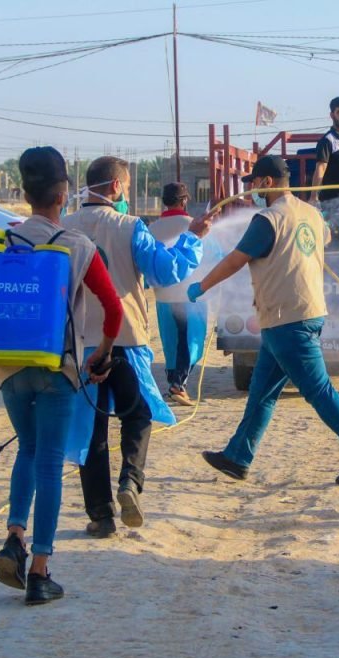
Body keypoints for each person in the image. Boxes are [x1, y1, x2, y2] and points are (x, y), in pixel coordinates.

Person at [189, 155, 339, 485]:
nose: (251, 188)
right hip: (300, 313)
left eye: (254, 182)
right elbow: (322, 239)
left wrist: (202, 285)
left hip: (286, 318)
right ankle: (237, 457)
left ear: (267, 182)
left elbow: (236, 260)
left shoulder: (268, 219)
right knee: (262, 392)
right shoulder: (311, 214)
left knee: (318, 390)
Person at [0, 146, 123, 605]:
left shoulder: (1, 240)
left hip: (8, 367)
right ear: (63, 194)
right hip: (57, 367)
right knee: (49, 461)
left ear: (24, 191)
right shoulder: (78, 246)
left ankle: (14, 537)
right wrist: (102, 355)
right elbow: (113, 310)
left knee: (26, 449)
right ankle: (40, 570)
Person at [63, 156, 211, 538]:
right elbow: (166, 271)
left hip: (81, 346)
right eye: (127, 187)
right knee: (138, 414)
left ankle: (101, 516)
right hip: (125, 339)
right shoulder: (130, 227)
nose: (126, 194)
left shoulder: (64, 228)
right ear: (116, 187)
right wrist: (193, 238)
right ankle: (130, 480)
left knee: (92, 431)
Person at [149, 182, 224, 406]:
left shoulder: (152, 229)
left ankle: (174, 383)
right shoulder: (195, 226)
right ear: (184, 200)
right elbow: (215, 256)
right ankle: (178, 385)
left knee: (171, 343)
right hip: (190, 297)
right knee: (191, 341)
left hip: (163, 297)